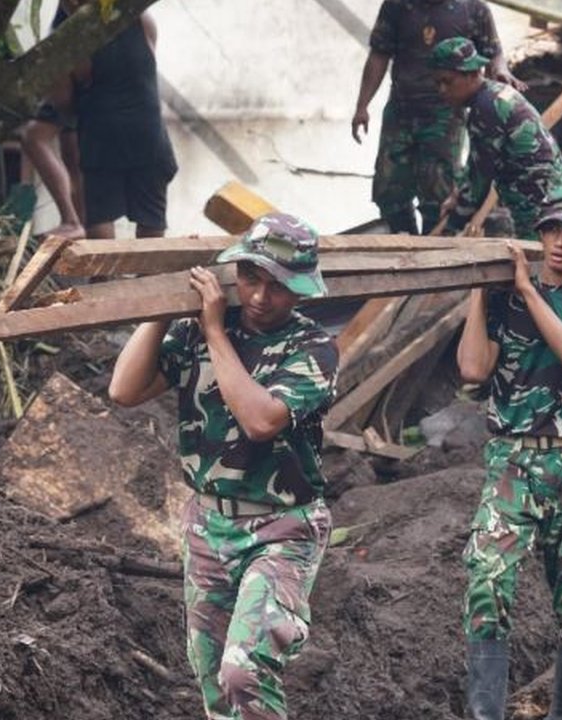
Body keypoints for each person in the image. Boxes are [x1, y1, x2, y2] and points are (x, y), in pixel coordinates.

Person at [108, 213, 339, 720]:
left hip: (282, 527)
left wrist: (214, 330)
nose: (260, 296)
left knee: (244, 670)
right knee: (213, 680)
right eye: (251, 278)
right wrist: (162, 306)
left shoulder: (313, 348)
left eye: (277, 286)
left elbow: (260, 421)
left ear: (300, 290)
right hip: (208, 526)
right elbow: (124, 391)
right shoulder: (196, 332)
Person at [454, 185, 562, 720]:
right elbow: (473, 369)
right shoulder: (504, 299)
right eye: (552, 230)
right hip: (512, 459)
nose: (558, 242)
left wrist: (529, 292)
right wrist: (479, 292)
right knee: (487, 580)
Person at [352, 0, 523, 235]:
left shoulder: (474, 9)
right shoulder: (396, 6)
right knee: (389, 190)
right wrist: (362, 106)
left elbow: (493, 54)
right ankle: (405, 242)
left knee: (439, 193)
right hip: (401, 109)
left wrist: (501, 71)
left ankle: (433, 244)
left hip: (446, 115)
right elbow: (378, 54)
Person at [20, 1, 178, 239]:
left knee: (100, 218)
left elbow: (64, 103)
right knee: (151, 220)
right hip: (148, 134)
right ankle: (146, 264)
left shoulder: (69, 43)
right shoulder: (141, 20)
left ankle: (86, 245)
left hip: (102, 139)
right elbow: (143, 72)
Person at [429, 37, 562, 239]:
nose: (442, 90)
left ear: (473, 73)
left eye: (448, 81)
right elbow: (476, 162)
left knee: (540, 256)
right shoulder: (495, 94)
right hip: (558, 196)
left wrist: (452, 224)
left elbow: (479, 180)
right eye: (437, 83)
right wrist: (456, 196)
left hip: (541, 206)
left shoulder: (486, 110)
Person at [20, 0, 84, 237]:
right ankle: (78, 223)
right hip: (78, 75)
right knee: (72, 152)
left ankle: (73, 221)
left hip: (74, 74)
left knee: (34, 136)